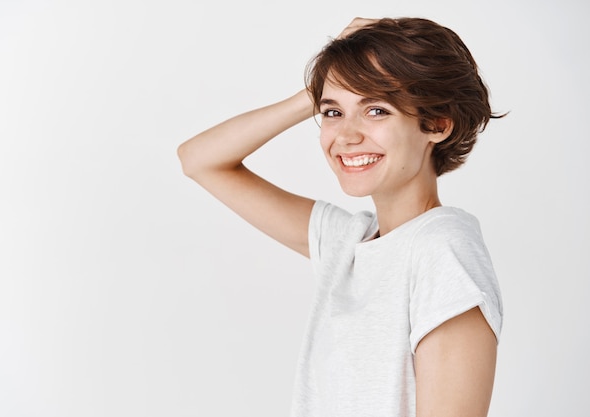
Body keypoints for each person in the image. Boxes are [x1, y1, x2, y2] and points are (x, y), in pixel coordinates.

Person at [178, 16, 504, 417]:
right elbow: (198, 160)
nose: (346, 136)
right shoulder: (349, 243)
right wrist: (315, 91)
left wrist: (338, 87)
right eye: (332, 113)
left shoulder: (441, 251)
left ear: (436, 123)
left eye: (377, 110)